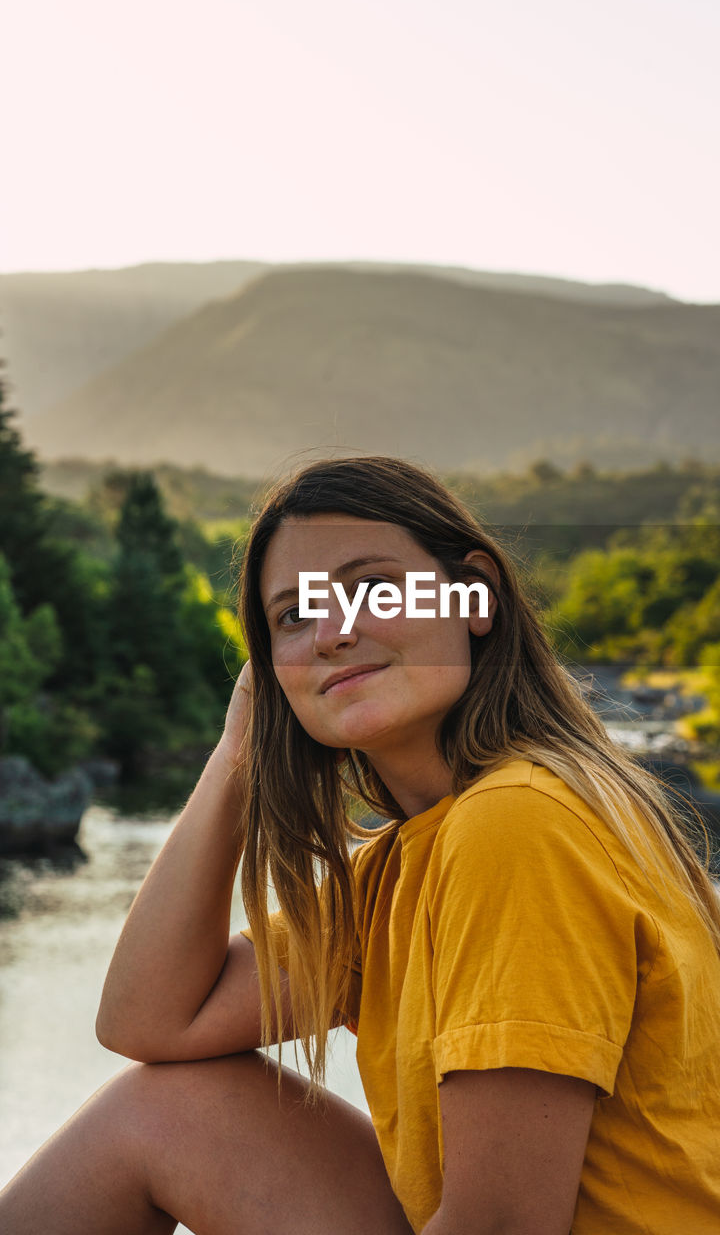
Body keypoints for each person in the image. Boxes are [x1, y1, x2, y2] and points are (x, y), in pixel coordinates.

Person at [2, 453, 720, 1235]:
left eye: (371, 589)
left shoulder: (520, 821)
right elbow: (148, 1022)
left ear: (474, 596)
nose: (333, 634)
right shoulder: (405, 864)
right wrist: (237, 756)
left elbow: (504, 1227)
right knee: (162, 1110)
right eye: (294, 618)